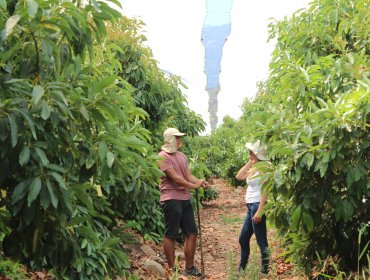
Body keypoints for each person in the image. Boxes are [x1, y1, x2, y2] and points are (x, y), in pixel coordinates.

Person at [158, 127, 207, 277]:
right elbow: (175, 178)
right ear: (171, 139)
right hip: (171, 199)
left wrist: (199, 181)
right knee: (171, 234)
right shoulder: (162, 156)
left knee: (192, 233)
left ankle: (189, 268)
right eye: (177, 138)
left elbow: (187, 175)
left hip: (184, 199)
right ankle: (173, 270)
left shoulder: (182, 156)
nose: (180, 141)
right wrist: (193, 186)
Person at [236, 140, 269, 275]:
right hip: (250, 206)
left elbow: (265, 190)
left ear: (257, 154)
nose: (249, 153)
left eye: (251, 152)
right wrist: (250, 161)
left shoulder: (265, 168)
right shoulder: (255, 166)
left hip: (257, 206)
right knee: (243, 238)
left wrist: (260, 211)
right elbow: (239, 176)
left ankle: (265, 270)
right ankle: (242, 269)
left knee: (261, 239)